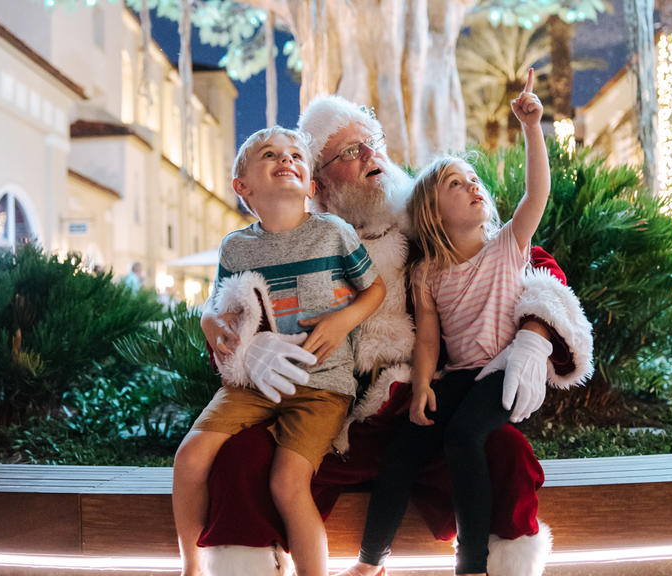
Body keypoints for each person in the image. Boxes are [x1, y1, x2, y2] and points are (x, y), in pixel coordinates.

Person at [197, 96, 593, 576]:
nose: (371, 157)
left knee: (504, 452)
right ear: (316, 183)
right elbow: (231, 307)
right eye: (349, 152)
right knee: (240, 458)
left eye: (373, 143)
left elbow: (536, 267)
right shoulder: (287, 240)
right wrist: (244, 346)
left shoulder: (426, 224)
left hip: (421, 416)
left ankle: (489, 566)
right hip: (324, 422)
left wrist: (534, 335)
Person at [339, 69, 551, 576]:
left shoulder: (508, 246)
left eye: (473, 180)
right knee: (405, 448)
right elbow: (429, 338)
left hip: (503, 371)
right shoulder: (428, 272)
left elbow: (536, 192)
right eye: (457, 184)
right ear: (433, 211)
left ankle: (471, 563)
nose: (473, 186)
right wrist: (419, 389)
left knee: (462, 439)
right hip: (457, 378)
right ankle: (371, 561)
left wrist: (532, 127)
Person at [172, 126, 386, 576]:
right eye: (270, 154)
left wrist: (343, 319)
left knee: (288, 482)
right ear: (243, 186)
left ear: (310, 184)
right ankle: (192, 567)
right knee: (189, 457)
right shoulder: (236, 247)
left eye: (295, 155)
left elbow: (375, 289)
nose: (285, 159)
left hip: (323, 386)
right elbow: (218, 307)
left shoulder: (334, 233)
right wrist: (210, 324)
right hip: (253, 382)